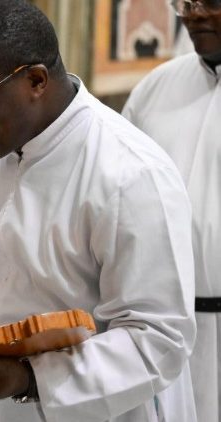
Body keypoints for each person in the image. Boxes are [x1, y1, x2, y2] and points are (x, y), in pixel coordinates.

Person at [0, 1, 197, 421]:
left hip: (103, 406)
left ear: (35, 80)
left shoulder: (129, 174)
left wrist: (29, 378)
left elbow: (158, 338)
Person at [122, 1, 221, 420]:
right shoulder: (155, 89)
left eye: (211, 3)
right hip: (165, 333)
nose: (194, 14)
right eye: (185, 2)